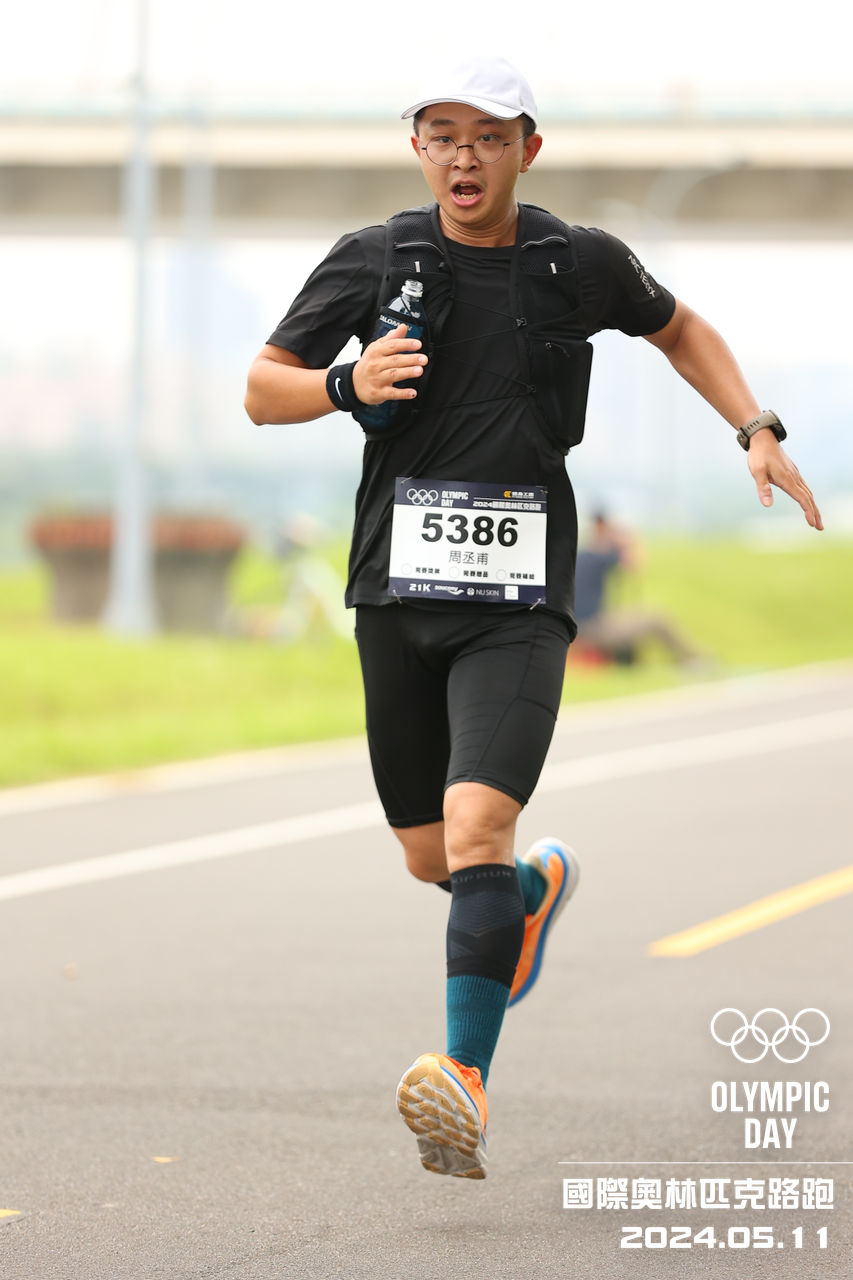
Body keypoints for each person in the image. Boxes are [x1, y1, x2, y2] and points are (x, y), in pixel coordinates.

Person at [244, 56, 823, 1180]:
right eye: (442, 135)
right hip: (394, 593)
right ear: (418, 148)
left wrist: (753, 426)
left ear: (528, 149)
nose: (464, 156)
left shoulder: (577, 261)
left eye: (488, 136)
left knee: (475, 828)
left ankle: (461, 1082)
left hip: (518, 603)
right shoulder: (373, 260)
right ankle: (528, 895)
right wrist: (344, 385)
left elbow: (680, 328)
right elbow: (264, 386)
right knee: (432, 856)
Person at [573, 511, 702, 665]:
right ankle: (693, 659)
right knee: (657, 618)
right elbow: (636, 566)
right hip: (593, 628)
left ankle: (690, 658)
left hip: (579, 626)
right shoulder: (599, 557)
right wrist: (631, 539)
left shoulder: (580, 555)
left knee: (634, 617)